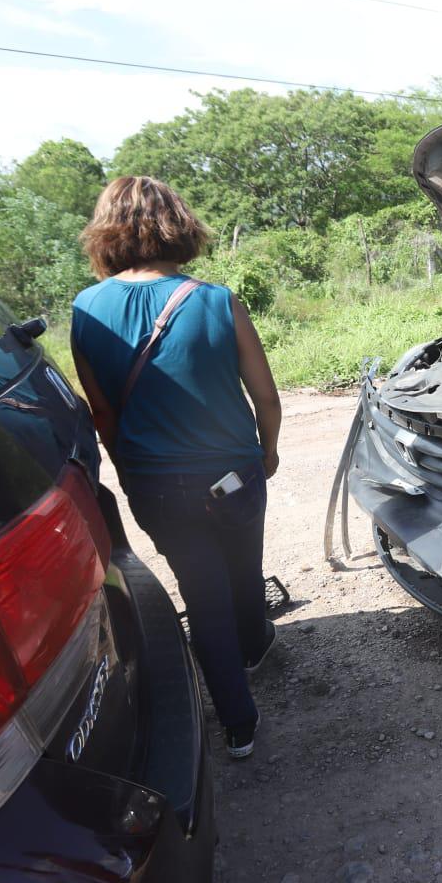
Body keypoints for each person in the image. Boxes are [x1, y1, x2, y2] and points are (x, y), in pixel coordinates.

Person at [71, 176, 283, 760]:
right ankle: (255, 643)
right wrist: (268, 451)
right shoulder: (216, 301)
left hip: (155, 482)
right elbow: (266, 396)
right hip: (235, 473)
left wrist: (134, 473)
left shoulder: (86, 310)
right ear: (179, 225)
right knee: (243, 565)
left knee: (201, 590)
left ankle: (238, 725)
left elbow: (104, 414)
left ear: (107, 233)